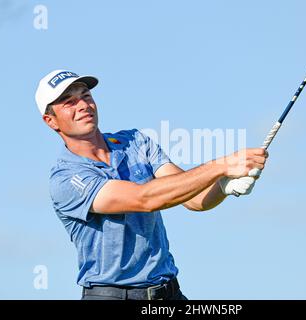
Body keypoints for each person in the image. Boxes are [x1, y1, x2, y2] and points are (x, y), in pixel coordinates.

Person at [35, 69, 268, 300]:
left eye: (86, 95)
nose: (83, 105)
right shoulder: (65, 178)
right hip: (110, 295)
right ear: (51, 121)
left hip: (168, 292)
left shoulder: (135, 141)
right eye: (69, 102)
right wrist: (222, 166)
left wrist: (223, 186)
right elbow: (144, 199)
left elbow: (194, 199)